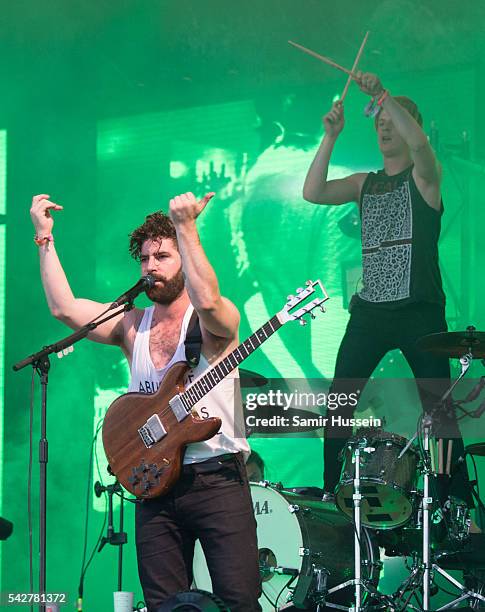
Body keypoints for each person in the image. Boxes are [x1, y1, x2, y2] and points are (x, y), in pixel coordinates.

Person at [30, 191, 262, 611]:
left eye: (163, 256)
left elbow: (208, 299)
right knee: (164, 604)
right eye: (145, 259)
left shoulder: (215, 321)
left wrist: (186, 228)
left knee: (238, 601)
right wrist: (45, 237)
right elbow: (65, 309)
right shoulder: (133, 324)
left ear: (185, 261)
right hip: (154, 485)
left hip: (215, 480)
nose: (151, 266)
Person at [303, 71, 471, 505]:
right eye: (378, 122)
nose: (382, 125)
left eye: (390, 120)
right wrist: (331, 135)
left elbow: (420, 147)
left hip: (419, 309)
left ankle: (453, 501)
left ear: (408, 123)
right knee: (340, 404)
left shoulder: (425, 178)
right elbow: (313, 191)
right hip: (371, 312)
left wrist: (382, 95)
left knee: (439, 408)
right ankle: (330, 494)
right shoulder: (365, 183)